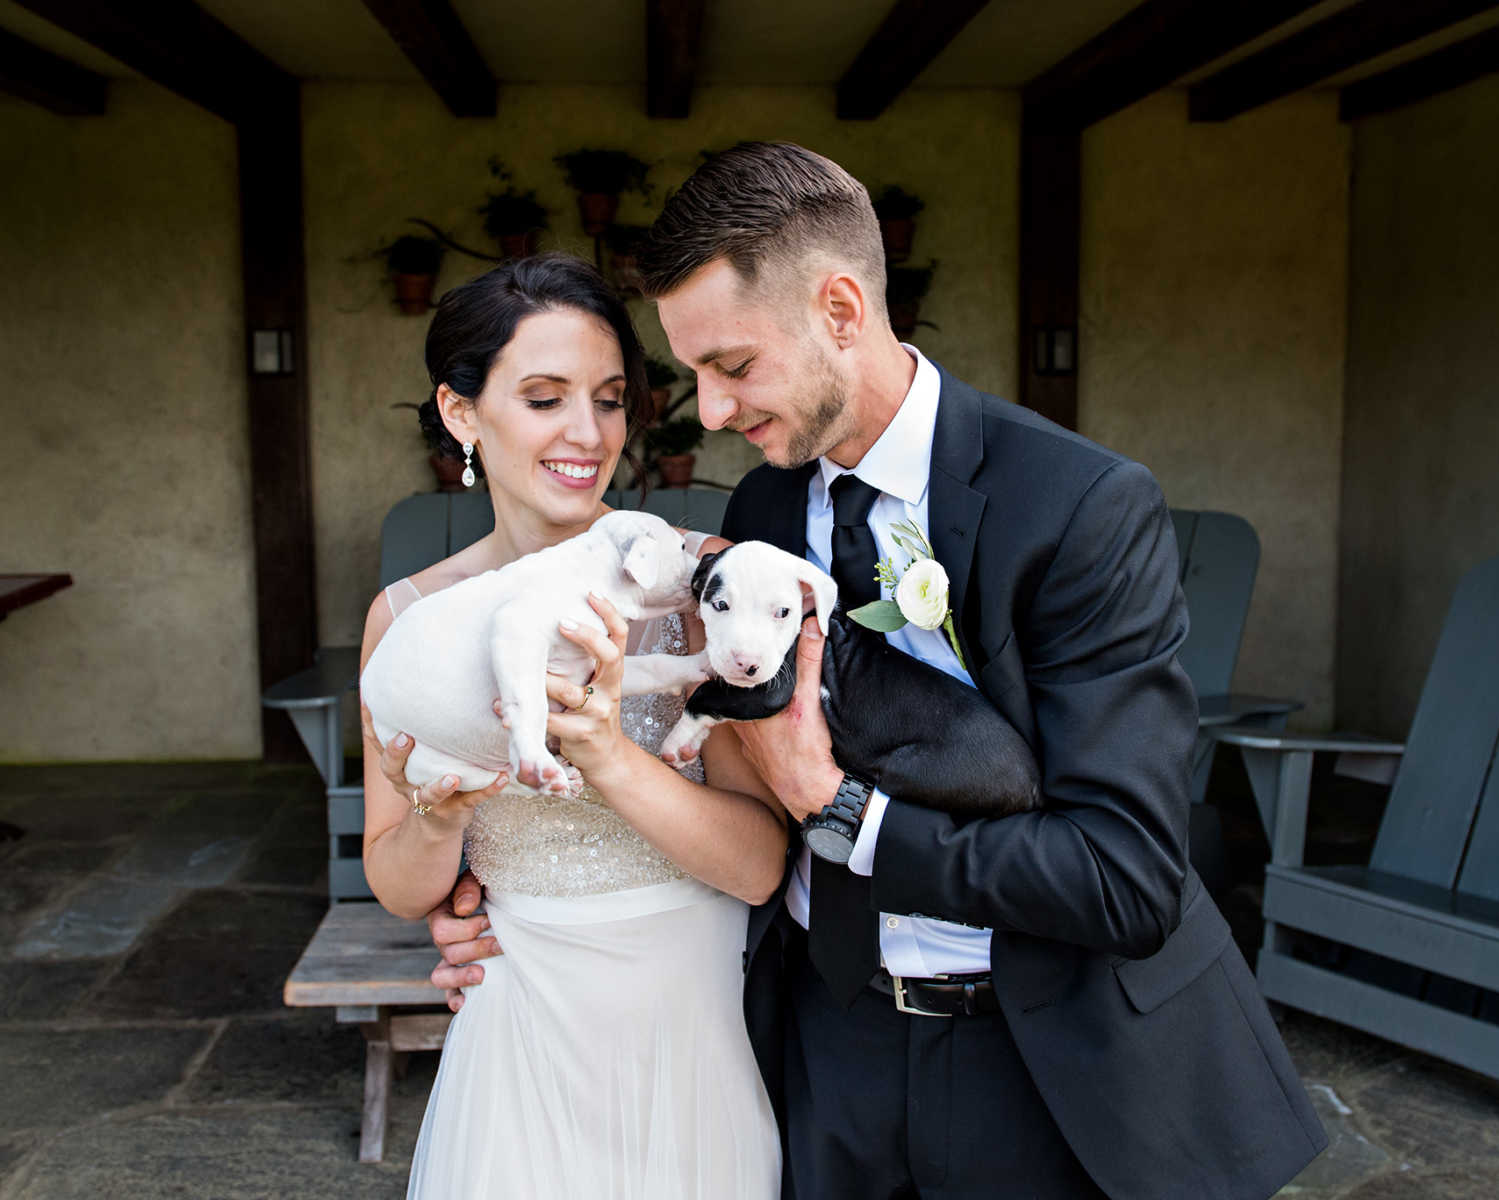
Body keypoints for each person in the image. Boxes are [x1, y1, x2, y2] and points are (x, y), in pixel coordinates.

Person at [431, 145, 1327, 1199]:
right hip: (825, 1045)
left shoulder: (1079, 507)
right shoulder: (759, 514)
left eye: (732, 367)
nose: (709, 413)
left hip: (1050, 1063)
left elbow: (1123, 877)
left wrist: (841, 810)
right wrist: (517, 921)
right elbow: (731, 793)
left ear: (842, 311)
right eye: (691, 377)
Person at [360, 254, 783, 1200]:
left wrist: (605, 750)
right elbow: (394, 879)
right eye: (544, 398)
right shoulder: (412, 624)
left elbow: (759, 864)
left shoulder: (696, 589)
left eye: (609, 398)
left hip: (692, 1037)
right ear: (463, 413)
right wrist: (438, 822)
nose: (586, 434)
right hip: (520, 1027)